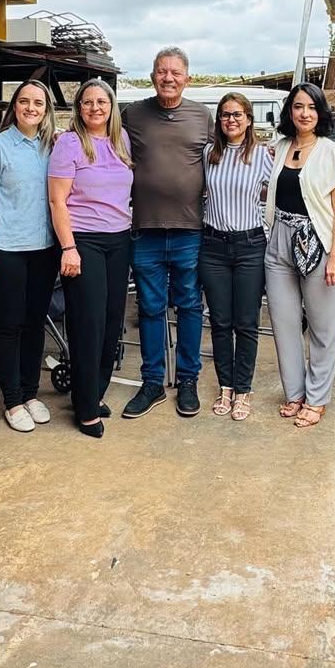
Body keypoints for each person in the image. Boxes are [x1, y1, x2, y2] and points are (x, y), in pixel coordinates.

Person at [120, 47, 214, 419]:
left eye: (175, 72)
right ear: (152, 75)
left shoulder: (202, 116)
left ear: (187, 78)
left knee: (190, 306)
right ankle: (153, 382)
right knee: (150, 308)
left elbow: (224, 156)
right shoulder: (133, 115)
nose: (168, 78)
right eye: (162, 72)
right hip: (146, 230)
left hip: (191, 229)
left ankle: (188, 380)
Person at [264, 83, 335, 428]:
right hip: (280, 241)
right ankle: (294, 393)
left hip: (319, 240)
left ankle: (317, 399)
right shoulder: (280, 147)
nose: (304, 113)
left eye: (312, 107)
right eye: (298, 107)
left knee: (322, 327)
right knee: (284, 323)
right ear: (289, 111)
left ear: (321, 113)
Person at [48, 80, 133, 439]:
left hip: (120, 239)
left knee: (112, 322)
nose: (95, 108)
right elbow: (57, 201)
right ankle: (84, 410)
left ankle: (93, 393)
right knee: (88, 324)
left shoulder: (121, 140)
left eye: (102, 101)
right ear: (79, 108)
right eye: (87, 102)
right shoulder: (68, 144)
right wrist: (69, 248)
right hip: (84, 242)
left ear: (111, 106)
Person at [0, 79, 59, 433]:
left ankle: (29, 392)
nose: (31, 108)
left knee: (34, 322)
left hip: (44, 248)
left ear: (46, 110)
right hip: (6, 248)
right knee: (9, 326)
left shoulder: (53, 147)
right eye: (24, 102)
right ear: (14, 107)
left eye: (38, 103)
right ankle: (12, 399)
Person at [200, 92, 274, 421]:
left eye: (238, 114)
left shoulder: (261, 155)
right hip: (213, 245)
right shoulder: (208, 155)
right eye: (225, 115)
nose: (231, 119)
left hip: (249, 245)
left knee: (246, 323)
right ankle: (225, 387)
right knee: (219, 322)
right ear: (219, 120)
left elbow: (279, 189)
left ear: (248, 119)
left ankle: (243, 390)